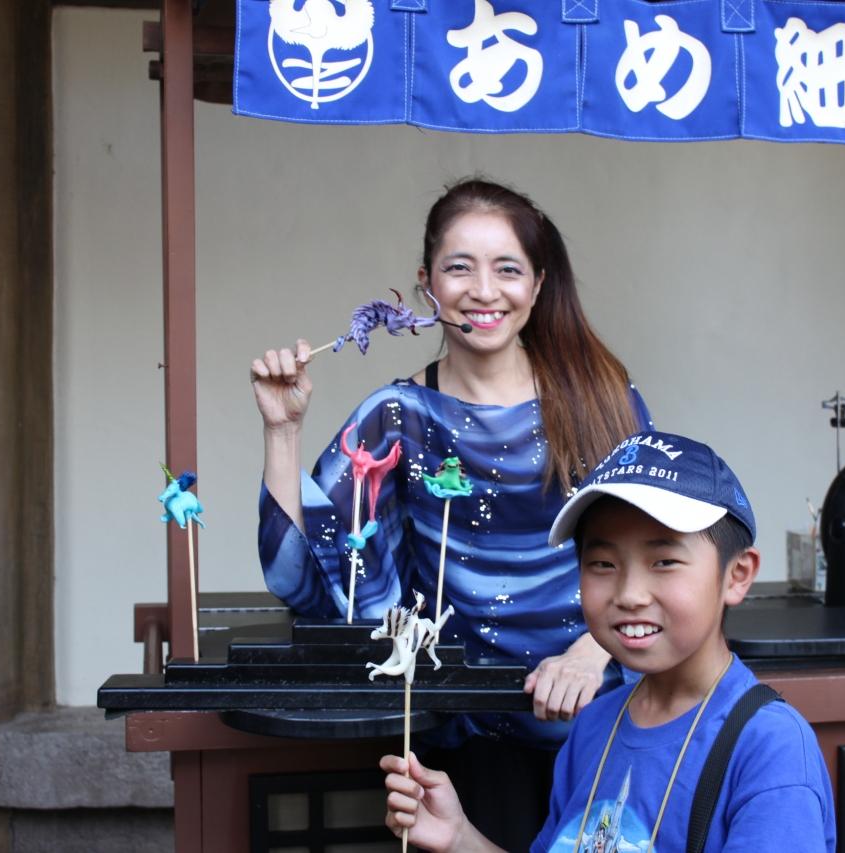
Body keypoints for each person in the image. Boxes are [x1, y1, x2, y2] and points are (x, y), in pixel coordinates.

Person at [250, 178, 653, 849]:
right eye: (460, 267)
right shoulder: (396, 417)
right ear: (427, 285)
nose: (484, 291)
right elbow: (302, 579)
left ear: (539, 284)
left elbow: (658, 557)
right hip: (465, 735)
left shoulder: (605, 400)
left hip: (604, 716)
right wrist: (282, 430)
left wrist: (591, 652)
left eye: (508, 269)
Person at [381, 431, 836, 853]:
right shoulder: (595, 726)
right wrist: (460, 838)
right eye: (602, 564)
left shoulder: (769, 748)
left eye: (663, 561)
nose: (630, 595)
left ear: (736, 575)